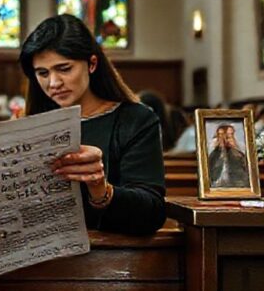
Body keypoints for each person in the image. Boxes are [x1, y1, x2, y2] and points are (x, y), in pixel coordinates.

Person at [19, 14, 165, 235]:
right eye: (43, 73)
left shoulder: (135, 120)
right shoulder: (31, 125)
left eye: (64, 69)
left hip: (111, 258)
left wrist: (100, 189)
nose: (54, 83)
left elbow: (152, 213)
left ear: (92, 64)